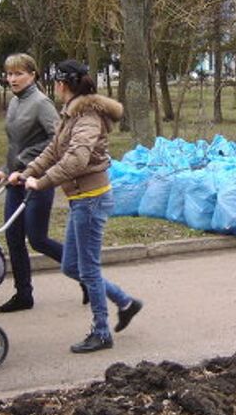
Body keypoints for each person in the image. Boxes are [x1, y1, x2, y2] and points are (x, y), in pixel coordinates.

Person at [19, 59, 143, 353]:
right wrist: (25, 174)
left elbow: (77, 160)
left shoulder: (86, 117)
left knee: (87, 269)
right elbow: (54, 150)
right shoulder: (71, 114)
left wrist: (42, 182)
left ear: (62, 85)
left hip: (91, 198)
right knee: (72, 266)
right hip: (81, 199)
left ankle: (101, 332)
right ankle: (125, 302)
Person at [0, 53, 63, 313]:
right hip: (15, 180)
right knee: (13, 237)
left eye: (18, 73)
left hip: (38, 178)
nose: (12, 78)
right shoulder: (14, 103)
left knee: (37, 239)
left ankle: (86, 275)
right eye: (9, 74)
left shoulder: (41, 103)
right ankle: (24, 294)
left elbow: (57, 141)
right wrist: (5, 169)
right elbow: (15, 144)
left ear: (32, 75)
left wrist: (24, 162)